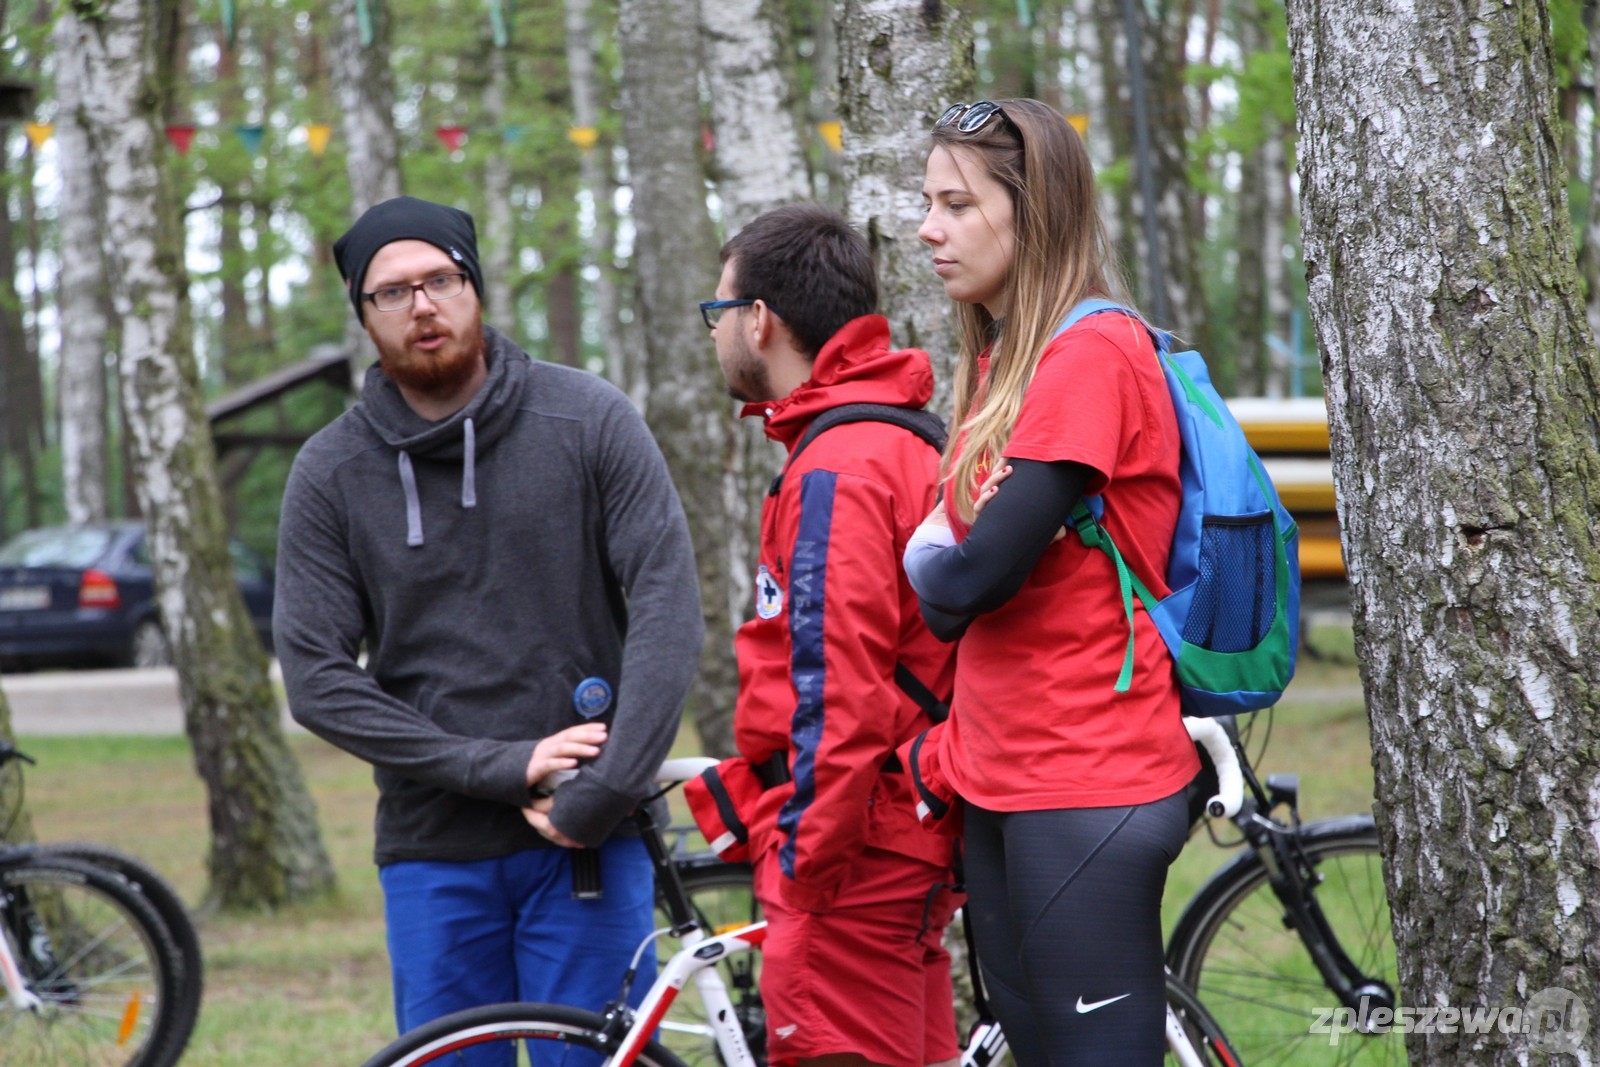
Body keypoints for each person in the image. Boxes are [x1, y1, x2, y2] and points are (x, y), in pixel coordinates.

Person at [273, 195, 704, 1044]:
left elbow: (668, 604)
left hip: (587, 839)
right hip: (432, 850)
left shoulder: (589, 418)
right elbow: (316, 680)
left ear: (474, 286)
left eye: (440, 279)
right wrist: (496, 764)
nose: (422, 305)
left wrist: (608, 788)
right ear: (363, 315)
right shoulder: (330, 472)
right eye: (392, 292)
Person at [899, 100, 1203, 1066]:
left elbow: (967, 583)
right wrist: (948, 558)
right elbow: (961, 575)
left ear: (1032, 215)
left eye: (957, 205)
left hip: (1085, 773)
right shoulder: (1004, 362)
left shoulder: (1089, 354)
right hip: (1000, 769)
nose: (928, 229)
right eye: (927, 203)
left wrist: (935, 555)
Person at [700, 203, 961, 1067]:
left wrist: (804, 864)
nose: (716, 334)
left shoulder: (839, 467)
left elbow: (838, 686)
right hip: (890, 840)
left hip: (851, 864)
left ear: (759, 320)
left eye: (717, 312)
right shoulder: (890, 439)